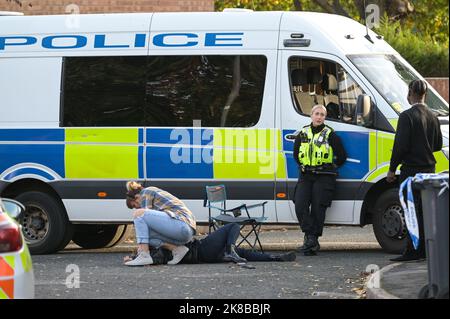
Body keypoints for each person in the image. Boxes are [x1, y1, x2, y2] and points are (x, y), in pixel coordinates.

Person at [387, 79, 443, 262]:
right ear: (425, 94)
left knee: (411, 210)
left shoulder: (406, 116)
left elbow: (400, 146)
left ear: (410, 93)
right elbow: (437, 145)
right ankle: (426, 250)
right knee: (426, 211)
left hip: (410, 172)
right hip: (429, 171)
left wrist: (392, 169)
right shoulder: (433, 116)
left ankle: (412, 250)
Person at [293, 104, 347, 256]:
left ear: (325, 117)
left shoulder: (330, 134)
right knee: (300, 205)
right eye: (316, 114)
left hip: (324, 176)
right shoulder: (303, 133)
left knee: (318, 208)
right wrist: (303, 166)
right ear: (311, 116)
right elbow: (296, 155)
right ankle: (311, 237)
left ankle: (311, 241)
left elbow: (341, 156)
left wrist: (330, 167)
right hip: (306, 175)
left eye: (322, 115)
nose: (319, 117)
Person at [123, 223, 297, 265]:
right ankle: (230, 251)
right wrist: (134, 257)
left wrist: (133, 256)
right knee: (233, 226)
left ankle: (276, 258)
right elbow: (157, 257)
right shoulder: (158, 250)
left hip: (204, 254)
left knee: (244, 252)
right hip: (202, 250)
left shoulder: (155, 248)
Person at [124, 181, 197, 266]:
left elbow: (142, 215)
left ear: (136, 197)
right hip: (184, 232)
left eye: (135, 205)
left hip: (182, 224)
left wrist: (138, 254)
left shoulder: (146, 192)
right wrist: (134, 257)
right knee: (146, 234)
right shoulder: (151, 193)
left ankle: (144, 255)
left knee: (138, 214)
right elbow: (143, 234)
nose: (138, 207)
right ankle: (177, 249)